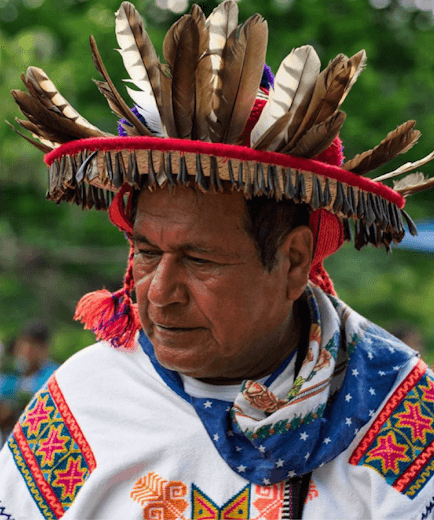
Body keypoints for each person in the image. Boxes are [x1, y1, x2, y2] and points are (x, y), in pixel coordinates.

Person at [1, 1, 434, 518]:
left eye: (199, 260)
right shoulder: (81, 404)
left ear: (294, 260)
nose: (159, 292)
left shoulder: (401, 415)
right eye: (145, 252)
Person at [0, 322, 58, 445]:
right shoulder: (11, 375)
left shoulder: (54, 376)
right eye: (23, 346)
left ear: (44, 349)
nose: (26, 352)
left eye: (32, 347)